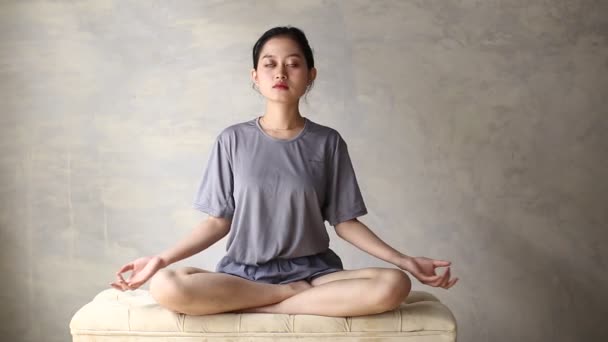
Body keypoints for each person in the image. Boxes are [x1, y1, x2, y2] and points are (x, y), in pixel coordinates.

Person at [110, 26, 458, 317]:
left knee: (394, 284)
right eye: (269, 64)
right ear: (255, 76)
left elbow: (345, 222)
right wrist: (159, 259)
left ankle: (270, 305)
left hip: (315, 274)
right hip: (244, 275)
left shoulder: (328, 142)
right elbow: (218, 221)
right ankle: (288, 298)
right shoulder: (232, 140)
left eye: (293, 64)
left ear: (310, 76)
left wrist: (404, 259)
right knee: (167, 285)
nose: (280, 72)